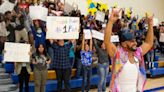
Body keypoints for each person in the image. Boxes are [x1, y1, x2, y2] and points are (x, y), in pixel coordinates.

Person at [104, 9, 154, 92]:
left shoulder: (138, 53)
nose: (134, 42)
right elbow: (107, 42)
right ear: (123, 44)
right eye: (131, 41)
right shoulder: (118, 54)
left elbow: (149, 43)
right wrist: (110, 21)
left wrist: (150, 24)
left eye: (134, 40)